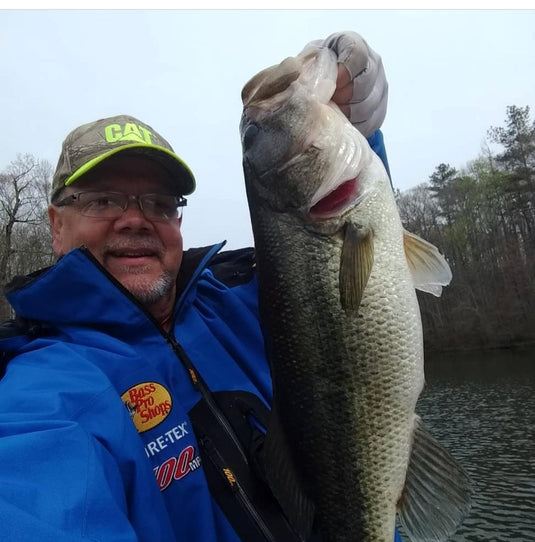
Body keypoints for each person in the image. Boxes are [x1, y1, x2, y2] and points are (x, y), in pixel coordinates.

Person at [0, 32, 400, 541]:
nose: (134, 220)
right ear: (57, 226)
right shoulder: (45, 394)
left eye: (159, 203)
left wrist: (359, 131)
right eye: (102, 200)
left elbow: (350, 266)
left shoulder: (247, 300)